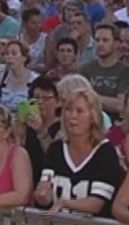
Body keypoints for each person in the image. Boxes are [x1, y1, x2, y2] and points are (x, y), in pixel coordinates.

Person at [33, 86, 123, 216]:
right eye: (68, 110)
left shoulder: (105, 152)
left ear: (93, 117)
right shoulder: (55, 149)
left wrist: (65, 203)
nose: (72, 116)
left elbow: (96, 203)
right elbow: (45, 199)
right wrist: (42, 196)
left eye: (79, 111)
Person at [78, 24, 129, 117]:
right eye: (97, 40)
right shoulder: (84, 69)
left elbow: (121, 105)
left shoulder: (126, 71)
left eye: (105, 40)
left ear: (116, 44)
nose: (100, 44)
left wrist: (91, 97)